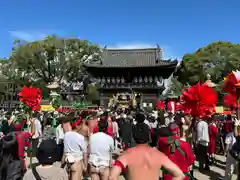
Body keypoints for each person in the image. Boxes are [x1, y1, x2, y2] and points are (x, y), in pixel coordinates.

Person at [109, 122, 185, 180]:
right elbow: (180, 175)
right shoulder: (159, 155)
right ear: (149, 137)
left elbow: (112, 177)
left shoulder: (126, 155)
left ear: (133, 137)